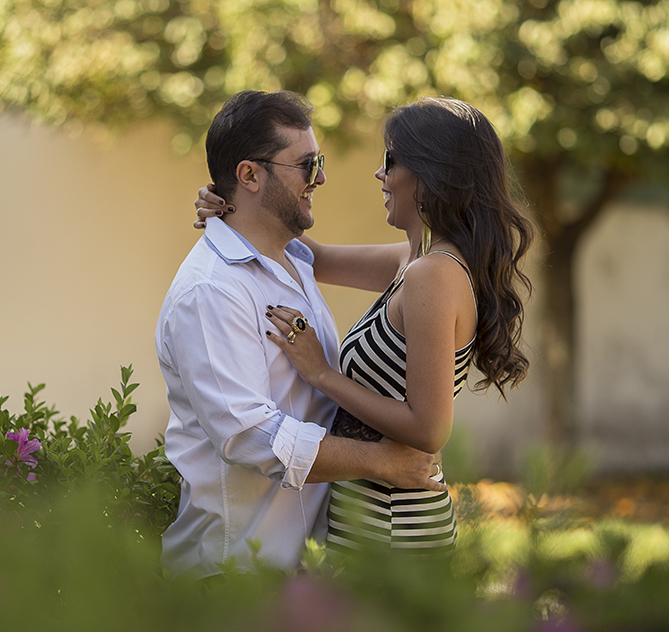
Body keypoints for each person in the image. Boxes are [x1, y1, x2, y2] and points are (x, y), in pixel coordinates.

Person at [196, 96, 535, 557]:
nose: (380, 174)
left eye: (390, 160)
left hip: (395, 525)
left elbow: (429, 428)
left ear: (431, 171)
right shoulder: (412, 263)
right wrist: (233, 206)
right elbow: (312, 256)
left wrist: (321, 375)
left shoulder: (433, 275)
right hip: (373, 516)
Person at [156, 90, 444, 579]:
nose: (322, 178)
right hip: (237, 574)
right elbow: (250, 435)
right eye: (307, 165)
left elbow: (419, 261)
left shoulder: (295, 262)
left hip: (300, 573)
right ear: (249, 174)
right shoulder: (212, 290)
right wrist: (382, 463)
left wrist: (230, 205)